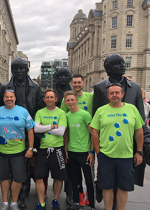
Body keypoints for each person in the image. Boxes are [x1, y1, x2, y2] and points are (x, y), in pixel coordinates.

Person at [92, 53, 149, 208]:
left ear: (122, 94)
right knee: (107, 183)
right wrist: (96, 151)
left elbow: (141, 124)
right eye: (119, 63)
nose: (123, 65)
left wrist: (140, 150)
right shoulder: (99, 87)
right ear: (109, 68)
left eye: (124, 62)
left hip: (127, 148)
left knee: (124, 183)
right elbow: (94, 124)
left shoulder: (135, 87)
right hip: (106, 149)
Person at [0, 57, 44, 208]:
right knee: (9, 167)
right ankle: (10, 195)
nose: (18, 71)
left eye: (21, 68)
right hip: (10, 132)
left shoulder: (35, 88)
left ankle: (22, 196)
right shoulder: (5, 87)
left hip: (29, 132)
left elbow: (40, 109)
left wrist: (35, 127)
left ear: (27, 70)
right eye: (15, 68)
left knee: (25, 166)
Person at [0, 89, 35, 210]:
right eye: (6, 97)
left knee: (18, 178)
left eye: (11, 97)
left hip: (18, 152)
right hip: (2, 152)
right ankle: (5, 202)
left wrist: (30, 148)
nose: (9, 99)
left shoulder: (23, 112)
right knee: (3, 177)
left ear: (15, 98)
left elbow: (30, 130)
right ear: (3, 98)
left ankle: (14, 202)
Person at [60, 74, 93, 206]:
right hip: (72, 151)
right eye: (68, 101)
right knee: (74, 179)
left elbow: (93, 133)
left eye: (72, 100)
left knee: (89, 179)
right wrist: (66, 149)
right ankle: (76, 201)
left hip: (85, 151)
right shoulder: (66, 115)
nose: (70, 102)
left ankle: (91, 203)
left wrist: (92, 151)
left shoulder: (85, 114)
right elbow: (66, 133)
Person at [34, 89, 67, 210]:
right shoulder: (39, 112)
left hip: (58, 149)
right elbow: (36, 129)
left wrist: (44, 127)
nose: (49, 99)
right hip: (43, 149)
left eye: (51, 97)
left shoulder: (61, 113)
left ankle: (55, 200)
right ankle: (41, 202)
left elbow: (61, 132)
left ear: (56, 99)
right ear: (44, 99)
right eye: (47, 97)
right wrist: (52, 126)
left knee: (58, 177)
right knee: (38, 177)